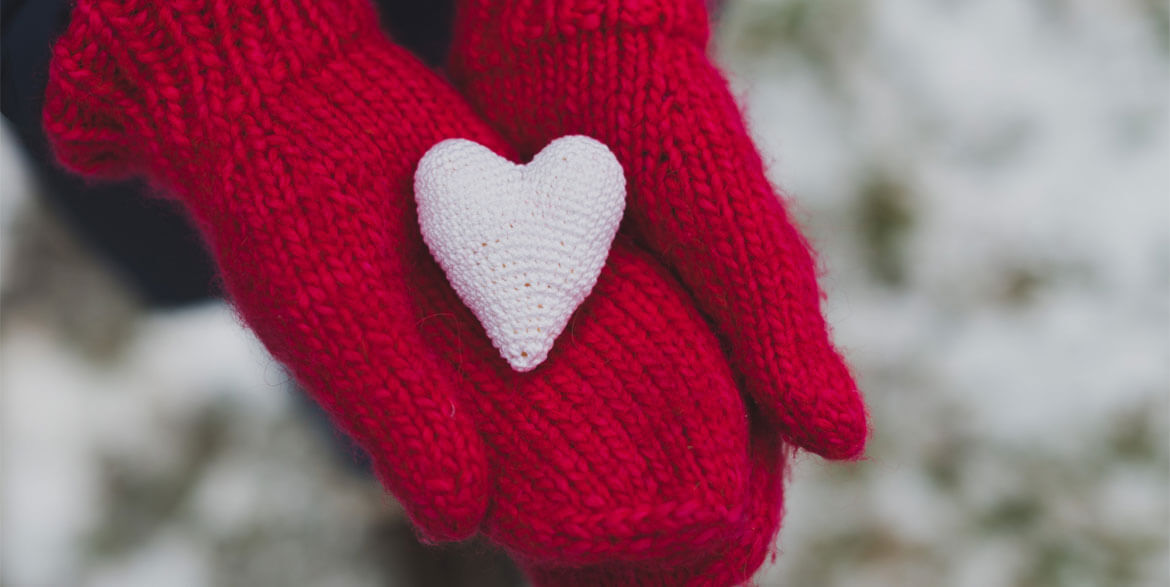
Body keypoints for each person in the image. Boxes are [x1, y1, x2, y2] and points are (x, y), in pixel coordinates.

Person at [32, 0, 868, 585]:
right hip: (224, 79)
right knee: (352, 316)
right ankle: (388, 486)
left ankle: (426, 495)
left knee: (391, 338)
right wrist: (222, 42)